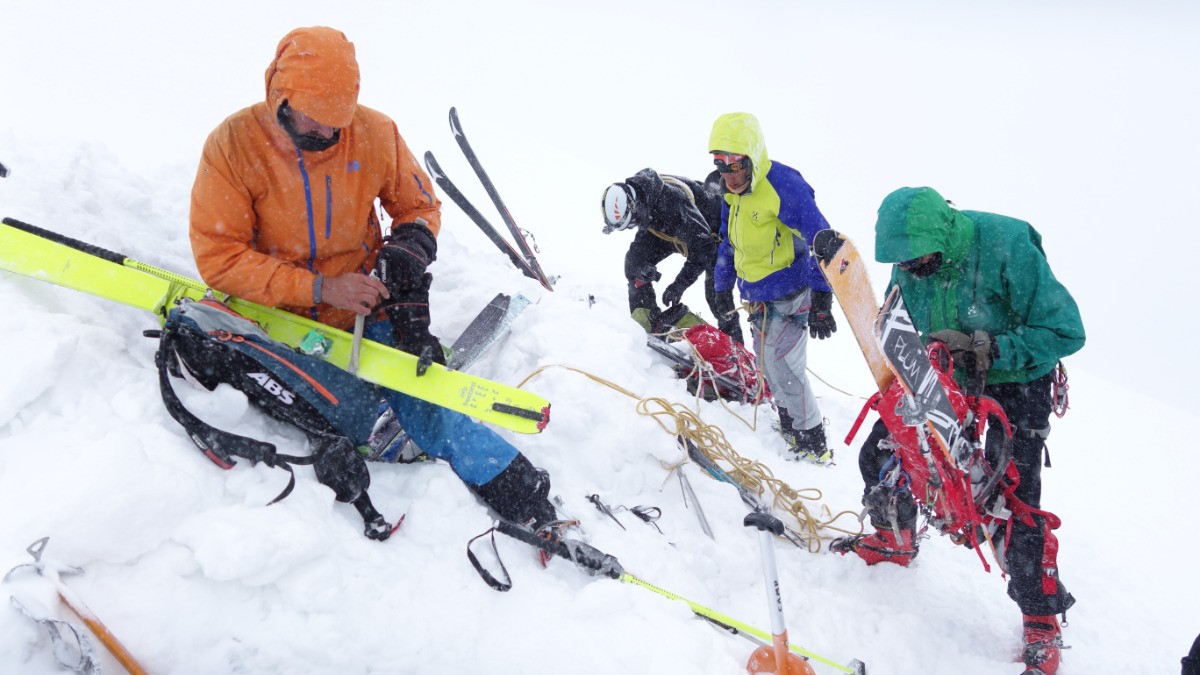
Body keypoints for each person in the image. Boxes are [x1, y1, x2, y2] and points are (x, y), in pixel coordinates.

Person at [189, 26, 558, 537]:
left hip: (367, 308)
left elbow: (419, 206)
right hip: (277, 317)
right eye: (313, 118)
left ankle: (524, 493)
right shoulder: (233, 146)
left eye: (336, 121)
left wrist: (404, 255)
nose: (325, 132)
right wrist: (318, 289)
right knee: (354, 412)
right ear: (281, 93)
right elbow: (220, 257)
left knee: (426, 405)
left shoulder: (375, 132)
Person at [845, 187, 1085, 675]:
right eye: (901, 263)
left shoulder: (1008, 244)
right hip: (944, 376)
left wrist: (989, 347)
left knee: (1014, 497)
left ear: (942, 238)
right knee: (884, 450)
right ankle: (896, 536)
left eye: (917, 261)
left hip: (1018, 378)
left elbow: (1067, 332)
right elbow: (903, 317)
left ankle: (1040, 620)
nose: (909, 269)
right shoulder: (910, 256)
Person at [707, 112, 837, 461]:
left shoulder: (783, 185)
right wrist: (722, 287)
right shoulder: (731, 192)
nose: (729, 175)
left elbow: (822, 241)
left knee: (785, 368)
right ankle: (790, 425)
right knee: (766, 365)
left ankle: (813, 441)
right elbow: (729, 242)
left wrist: (823, 298)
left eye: (735, 166)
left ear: (751, 157)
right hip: (756, 297)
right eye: (721, 166)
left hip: (792, 294)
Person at [601, 168, 744, 344]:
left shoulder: (673, 203)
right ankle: (647, 320)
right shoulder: (645, 200)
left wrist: (679, 285)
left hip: (712, 238)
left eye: (632, 222)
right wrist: (643, 269)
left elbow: (704, 249)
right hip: (667, 228)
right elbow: (640, 251)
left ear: (635, 206)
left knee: (717, 297)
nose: (633, 227)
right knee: (634, 264)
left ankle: (734, 351)